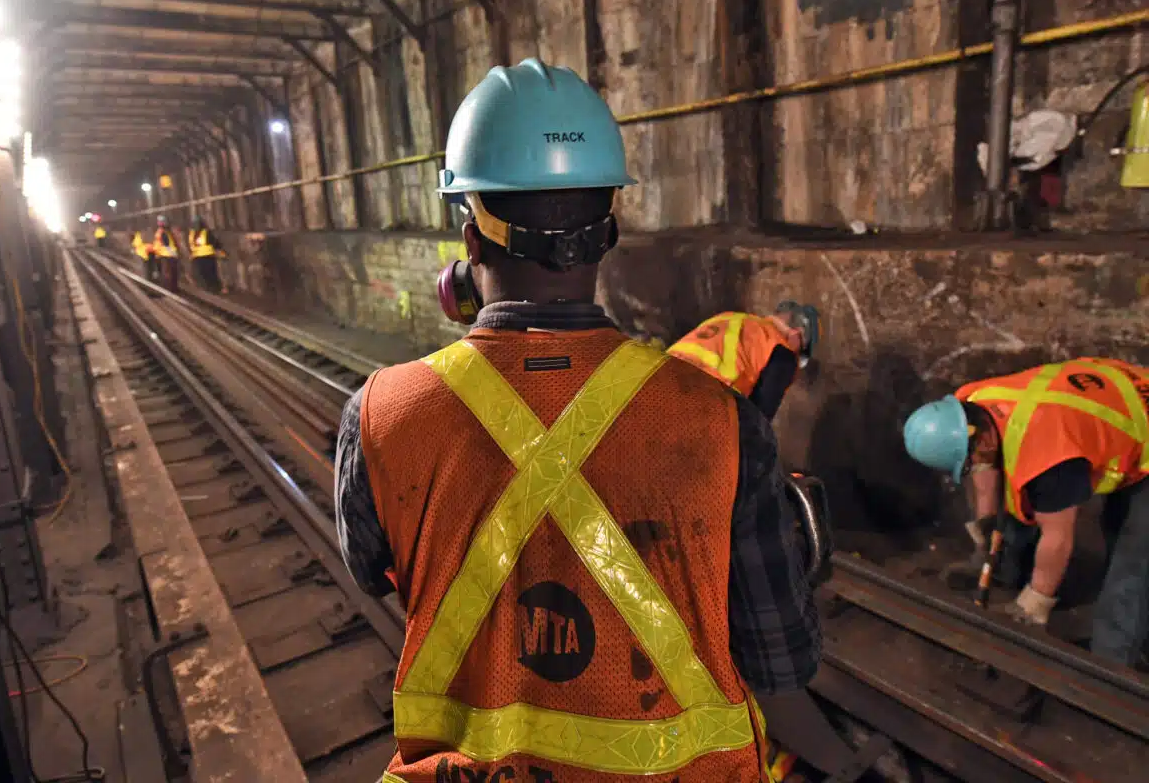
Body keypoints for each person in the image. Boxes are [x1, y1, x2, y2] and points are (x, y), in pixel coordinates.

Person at [335, 59, 847, 783]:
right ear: (608, 231)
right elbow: (779, 658)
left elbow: (372, 569)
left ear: (469, 240)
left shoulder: (379, 410)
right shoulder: (723, 422)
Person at [904, 357, 1149, 665]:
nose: (970, 468)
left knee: (1134, 555)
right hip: (1110, 400)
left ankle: (1115, 664)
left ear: (978, 436)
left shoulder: (1049, 455)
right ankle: (1008, 572)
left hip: (1137, 424)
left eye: (967, 461)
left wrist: (1035, 603)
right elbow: (983, 467)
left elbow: (1059, 537)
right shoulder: (971, 404)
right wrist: (985, 534)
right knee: (1113, 524)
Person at [668, 303, 820, 419]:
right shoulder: (782, 352)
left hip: (656, 382)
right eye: (801, 351)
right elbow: (758, 423)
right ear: (797, 333)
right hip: (701, 404)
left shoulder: (729, 318)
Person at [187, 214, 224, 293]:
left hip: (199, 258)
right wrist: (220, 249)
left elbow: (191, 246)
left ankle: (207, 289)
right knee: (211, 273)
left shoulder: (192, 234)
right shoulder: (206, 232)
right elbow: (215, 242)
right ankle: (214, 289)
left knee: (203, 274)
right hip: (207, 257)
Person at [152, 215, 180, 292]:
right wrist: (174, 254)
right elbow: (167, 244)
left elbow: (165, 244)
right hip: (167, 254)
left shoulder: (161, 231)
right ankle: (171, 289)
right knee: (170, 273)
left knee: (167, 273)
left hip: (164, 254)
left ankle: (169, 289)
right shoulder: (165, 232)